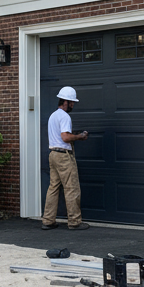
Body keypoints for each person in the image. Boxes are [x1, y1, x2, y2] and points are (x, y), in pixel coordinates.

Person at [42, 86, 89, 230]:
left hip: (53, 155)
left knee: (53, 188)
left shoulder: (53, 116)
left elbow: (60, 135)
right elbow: (65, 137)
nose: (73, 105)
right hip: (63, 156)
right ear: (65, 101)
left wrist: (73, 134)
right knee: (72, 188)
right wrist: (80, 137)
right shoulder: (65, 116)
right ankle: (75, 222)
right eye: (72, 102)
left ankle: (48, 220)